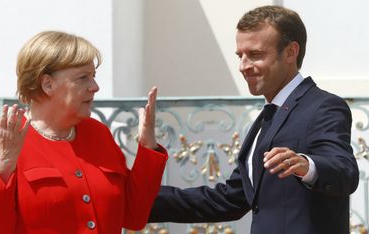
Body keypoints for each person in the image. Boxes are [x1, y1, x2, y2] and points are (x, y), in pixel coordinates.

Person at [149, 5, 359, 234]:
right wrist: (133, 197)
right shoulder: (267, 118)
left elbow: (344, 170)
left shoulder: (323, 107)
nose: (243, 66)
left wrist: (306, 165)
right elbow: (228, 200)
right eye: (240, 56)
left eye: (256, 55)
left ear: (290, 52)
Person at [0, 31, 168, 234]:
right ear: (47, 83)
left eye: (93, 76)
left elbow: (134, 217)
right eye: (83, 78)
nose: (95, 87)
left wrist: (148, 147)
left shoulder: (98, 133)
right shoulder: (6, 136)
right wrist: (4, 167)